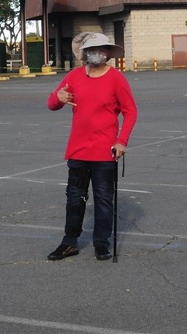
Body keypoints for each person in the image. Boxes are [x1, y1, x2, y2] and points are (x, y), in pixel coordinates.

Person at [46, 32, 138, 261]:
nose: (97, 53)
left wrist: (121, 141)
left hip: (105, 151)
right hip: (78, 150)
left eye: (102, 49)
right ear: (85, 53)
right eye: (92, 49)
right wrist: (58, 97)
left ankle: (101, 243)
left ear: (107, 53)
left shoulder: (116, 78)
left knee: (104, 199)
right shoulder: (74, 76)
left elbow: (130, 111)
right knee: (74, 198)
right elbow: (52, 104)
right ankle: (69, 242)